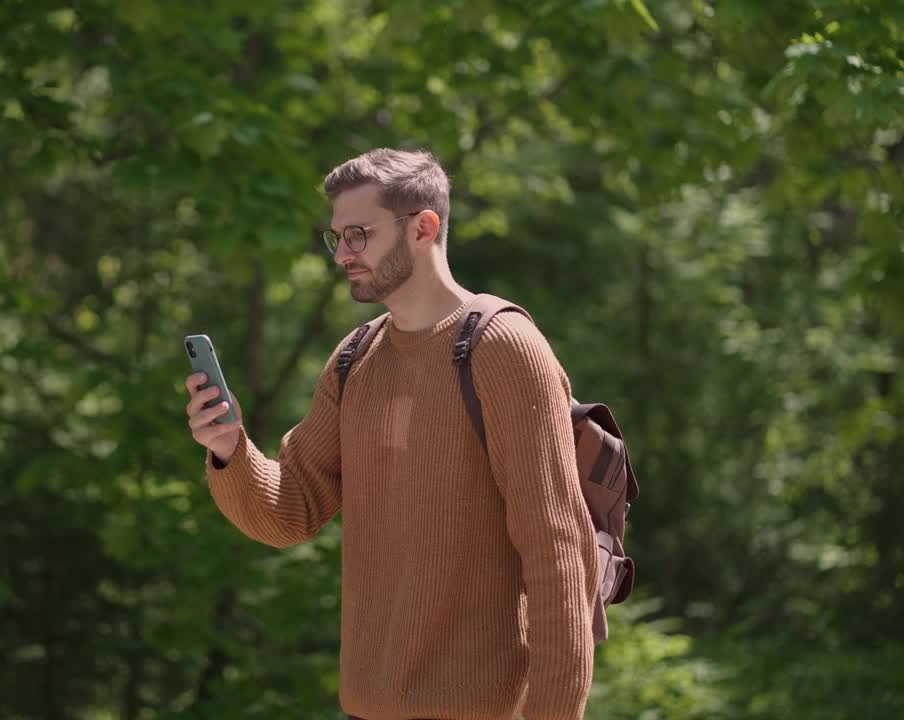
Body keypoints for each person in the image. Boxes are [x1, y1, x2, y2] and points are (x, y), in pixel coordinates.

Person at [183, 148, 597, 720]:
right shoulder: (356, 357)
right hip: (366, 705)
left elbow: (558, 557)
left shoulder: (504, 349)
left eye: (358, 234)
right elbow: (291, 513)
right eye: (336, 238)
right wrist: (229, 449)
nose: (343, 255)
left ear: (423, 228)